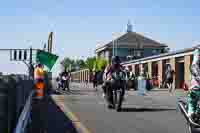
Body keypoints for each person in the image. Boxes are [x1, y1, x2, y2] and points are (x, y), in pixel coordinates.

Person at [187, 48, 200, 120]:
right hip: (196, 86)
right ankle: (191, 114)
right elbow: (194, 67)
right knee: (192, 102)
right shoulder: (198, 51)